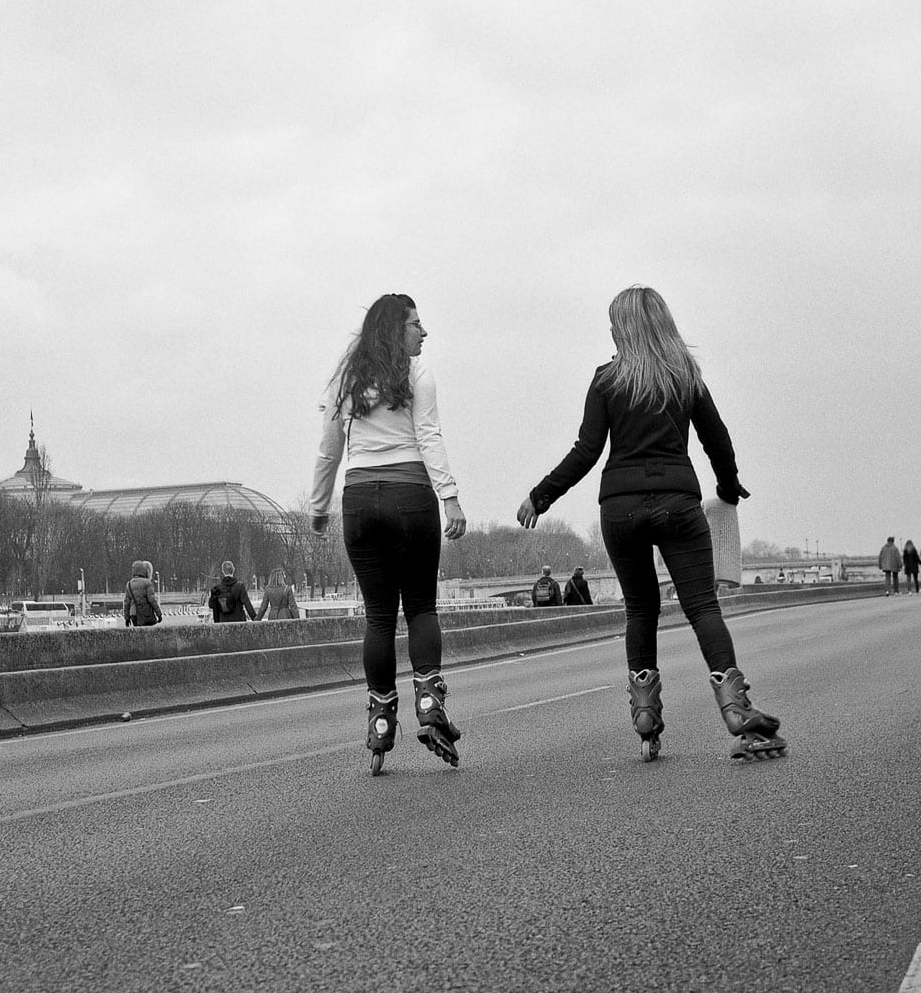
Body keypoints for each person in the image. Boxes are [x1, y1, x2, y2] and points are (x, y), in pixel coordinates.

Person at [516, 284, 785, 762]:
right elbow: (716, 440)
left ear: (625, 328)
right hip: (678, 504)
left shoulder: (606, 380)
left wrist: (542, 497)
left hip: (619, 509)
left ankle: (645, 716)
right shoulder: (684, 375)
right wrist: (728, 488)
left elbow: (587, 450)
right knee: (702, 607)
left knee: (640, 610)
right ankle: (737, 710)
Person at [310, 292, 467, 774]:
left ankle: (381, 718)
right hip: (409, 497)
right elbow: (429, 436)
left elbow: (328, 447)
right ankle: (427, 702)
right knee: (419, 606)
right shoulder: (417, 374)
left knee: (379, 616)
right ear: (395, 329)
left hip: (359, 501)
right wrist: (450, 495)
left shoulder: (347, 376)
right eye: (415, 324)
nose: (424, 332)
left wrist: (319, 506)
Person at [124, 560, 162, 627]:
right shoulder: (147, 583)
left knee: (138, 634)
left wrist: (127, 618)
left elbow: (127, 603)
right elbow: (152, 600)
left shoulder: (129, 584)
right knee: (147, 634)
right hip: (146, 613)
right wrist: (159, 614)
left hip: (134, 614)